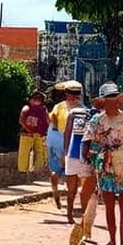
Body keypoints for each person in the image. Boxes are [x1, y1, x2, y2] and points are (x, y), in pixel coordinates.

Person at [86, 83, 123, 245]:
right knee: (109, 205)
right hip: (106, 163)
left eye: (114, 98)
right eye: (108, 99)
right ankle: (112, 239)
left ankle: (122, 244)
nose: (111, 102)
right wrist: (92, 159)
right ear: (102, 102)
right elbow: (90, 142)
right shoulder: (97, 120)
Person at [65, 91, 98, 241]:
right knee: (73, 189)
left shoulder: (98, 115)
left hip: (86, 156)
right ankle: (70, 215)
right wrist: (65, 152)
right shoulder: (75, 113)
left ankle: (84, 224)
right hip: (74, 153)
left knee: (85, 191)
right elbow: (68, 132)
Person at [47, 81, 83, 215]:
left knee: (60, 170)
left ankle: (57, 192)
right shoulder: (81, 108)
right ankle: (59, 193)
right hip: (65, 140)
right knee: (67, 172)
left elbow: (52, 121)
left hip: (62, 139)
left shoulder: (61, 107)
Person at [17, 91, 50, 173]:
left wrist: (44, 131)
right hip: (27, 133)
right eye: (35, 99)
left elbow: (47, 120)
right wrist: (28, 129)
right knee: (24, 153)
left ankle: (38, 171)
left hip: (38, 133)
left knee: (39, 153)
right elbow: (21, 120)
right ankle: (23, 171)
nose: (37, 101)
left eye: (39, 99)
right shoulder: (26, 108)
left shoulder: (43, 109)